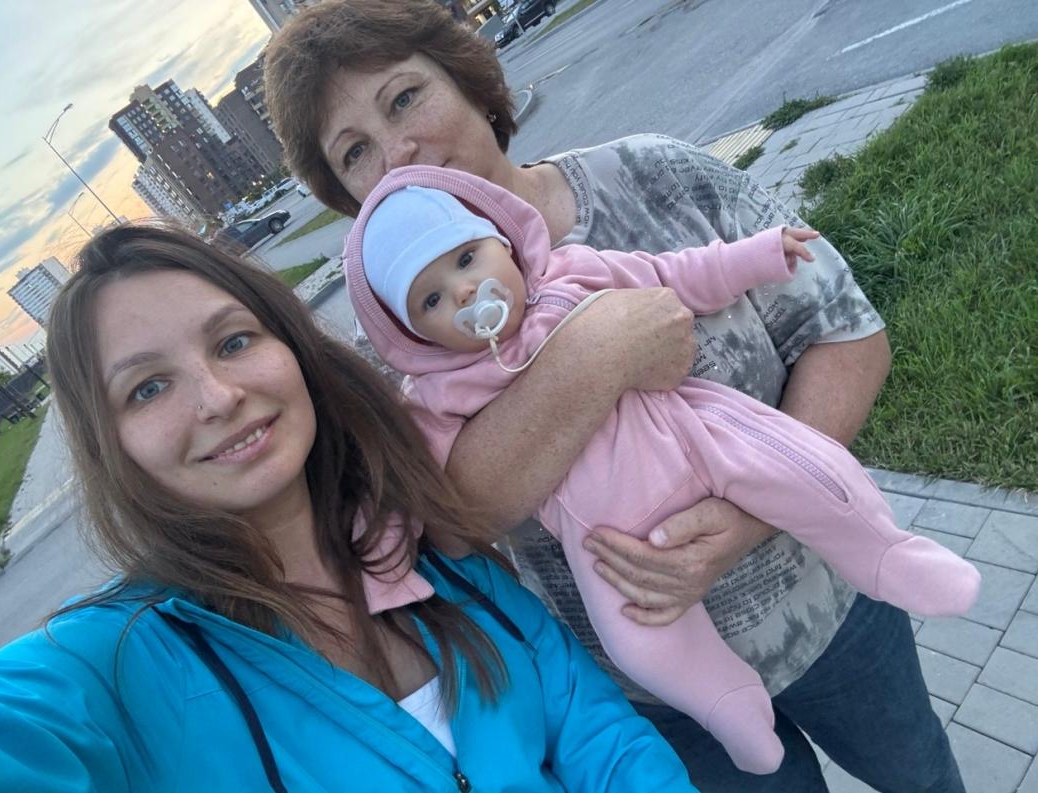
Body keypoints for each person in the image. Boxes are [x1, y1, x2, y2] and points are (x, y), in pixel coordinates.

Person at [264, 1, 968, 789]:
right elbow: (455, 520)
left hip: (830, 601)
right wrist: (599, 352)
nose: (398, 153)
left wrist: (751, 513)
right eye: (355, 151)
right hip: (663, 696)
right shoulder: (414, 350)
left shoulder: (650, 175)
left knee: (922, 776)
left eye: (404, 98)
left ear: (468, 81)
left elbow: (846, 333)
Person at [0, 223, 697, 792]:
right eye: (147, 388)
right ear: (112, 447)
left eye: (234, 341)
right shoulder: (114, 663)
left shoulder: (433, 548)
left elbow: (600, 737)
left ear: (293, 347)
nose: (218, 397)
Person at [344, 167, 980, 773]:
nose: (464, 292)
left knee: (807, 469)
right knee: (636, 636)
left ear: (505, 242)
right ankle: (726, 703)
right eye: (431, 299)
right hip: (603, 532)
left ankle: (887, 553)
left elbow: (674, 274)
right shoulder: (438, 393)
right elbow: (416, 487)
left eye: (467, 259)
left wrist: (758, 255)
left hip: (696, 436)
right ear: (413, 334)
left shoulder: (572, 274)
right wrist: (382, 552)